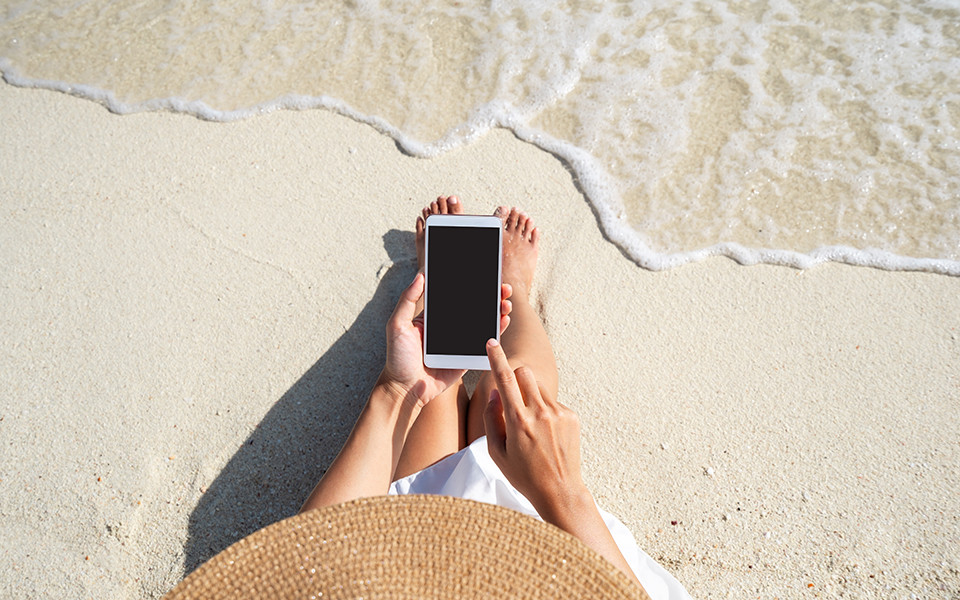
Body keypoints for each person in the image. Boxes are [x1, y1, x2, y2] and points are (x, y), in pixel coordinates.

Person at [301, 196, 690, 599]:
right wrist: (560, 491)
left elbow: (307, 571)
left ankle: (440, 283)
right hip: (546, 556)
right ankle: (513, 287)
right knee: (514, 388)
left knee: (431, 384)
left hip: (426, 550)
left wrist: (393, 389)